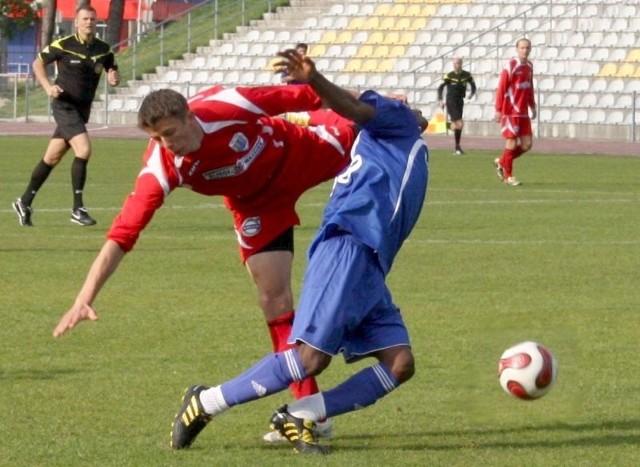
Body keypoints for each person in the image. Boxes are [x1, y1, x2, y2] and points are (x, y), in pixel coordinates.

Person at [51, 81, 357, 440]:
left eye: (171, 133)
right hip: (257, 205)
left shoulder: (230, 104)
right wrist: (84, 298)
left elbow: (310, 93)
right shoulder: (162, 165)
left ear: (190, 117)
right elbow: (122, 235)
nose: (168, 143)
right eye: (158, 137)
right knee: (274, 302)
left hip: (301, 155)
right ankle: (311, 413)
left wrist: (371, 103)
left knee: (366, 127)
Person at [169, 49, 429, 454]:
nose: (410, 104)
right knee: (309, 358)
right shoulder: (392, 121)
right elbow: (354, 105)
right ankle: (205, 403)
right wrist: (315, 80)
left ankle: (300, 413)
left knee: (399, 364)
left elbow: (349, 110)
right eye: (402, 102)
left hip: (371, 263)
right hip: (350, 244)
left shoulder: (406, 141)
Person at [12, 5, 120, 226]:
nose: (89, 22)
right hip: (64, 106)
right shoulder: (64, 45)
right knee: (84, 149)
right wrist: (48, 87)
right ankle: (77, 209)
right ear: (77, 23)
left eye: (92, 18)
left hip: (82, 111)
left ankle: (24, 201)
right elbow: (38, 63)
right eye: (85, 19)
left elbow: (112, 68)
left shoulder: (104, 49)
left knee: (51, 157)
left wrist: (113, 76)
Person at [493, 38, 537, 186]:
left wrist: (532, 105)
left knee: (526, 145)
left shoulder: (529, 67)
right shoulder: (511, 66)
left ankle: (502, 160)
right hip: (510, 111)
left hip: (523, 112)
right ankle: (508, 176)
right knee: (511, 142)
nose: (525, 50)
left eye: (527, 48)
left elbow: (529, 87)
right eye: (522, 48)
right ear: (517, 49)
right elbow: (502, 88)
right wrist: (498, 109)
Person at [437, 57, 476, 155]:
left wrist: (471, 93)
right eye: (454, 63)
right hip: (451, 101)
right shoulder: (449, 76)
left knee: (456, 126)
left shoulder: (466, 75)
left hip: (460, 101)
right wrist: (440, 99)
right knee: (460, 124)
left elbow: (473, 85)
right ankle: (457, 147)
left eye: (458, 63)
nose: (456, 65)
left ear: (461, 64)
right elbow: (440, 88)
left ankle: (457, 147)